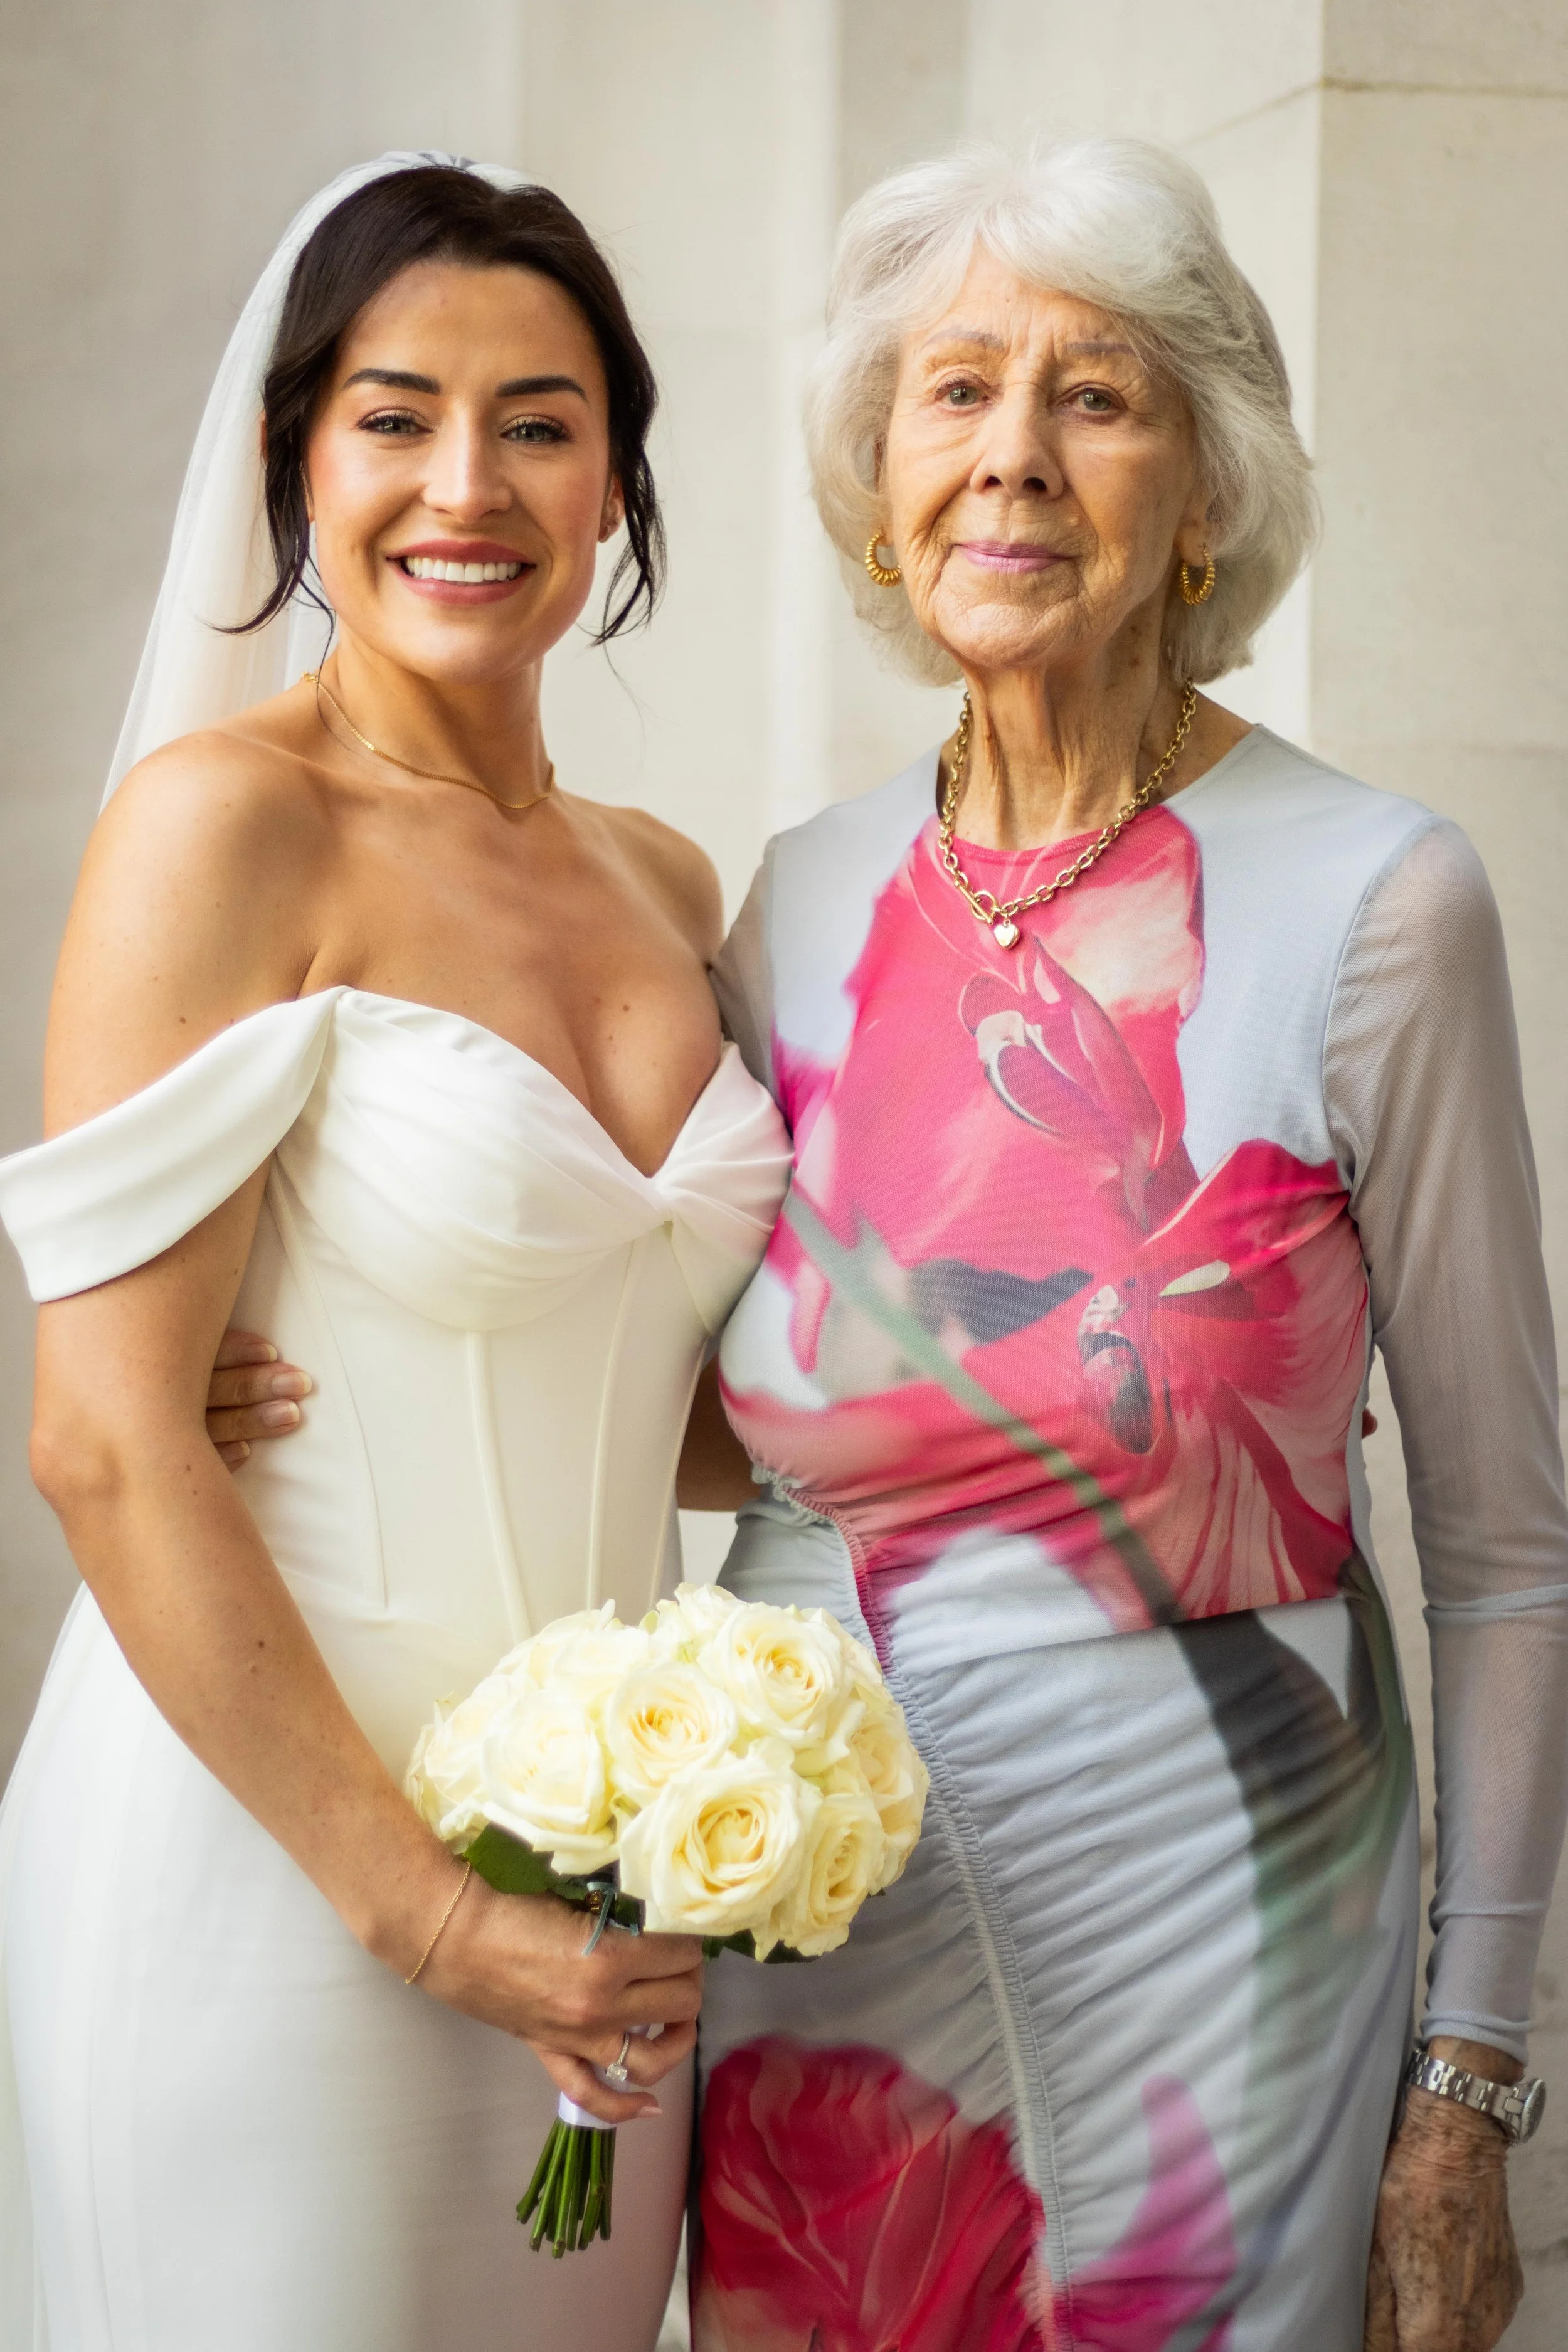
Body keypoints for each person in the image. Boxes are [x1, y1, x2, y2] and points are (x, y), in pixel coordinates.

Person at [680, 142, 1566, 2351]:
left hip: (1225, 1937)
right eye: (954, 389)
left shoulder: (1379, 898)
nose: (1011, 452)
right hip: (824, 1940)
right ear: (881, 492)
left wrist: (1467, 2084)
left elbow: (1506, 1548)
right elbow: (703, 1411)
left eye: (1093, 395)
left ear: (1204, 494)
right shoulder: (795, 902)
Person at [0, 156, 789, 2352]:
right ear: (295, 463)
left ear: (616, 479)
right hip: (277, 1867)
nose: (468, 486)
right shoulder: (225, 826)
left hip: (615, 1886)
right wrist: (434, 1920)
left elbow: (688, 1402)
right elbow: (105, 1440)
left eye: (539, 422)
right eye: (394, 417)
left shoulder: (664, 881)